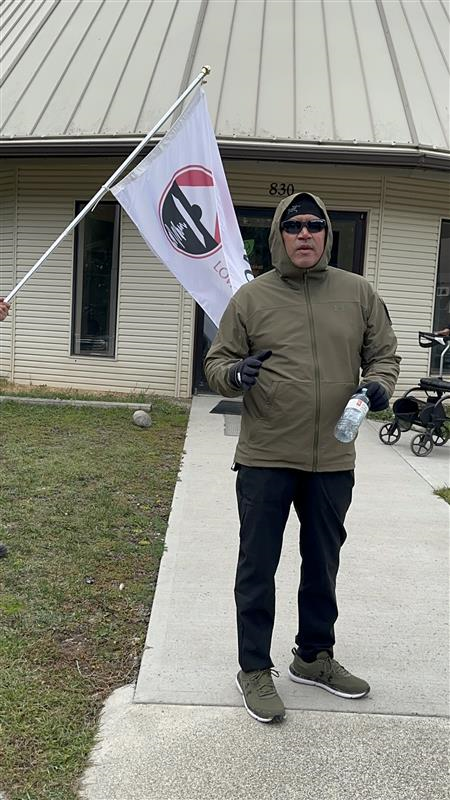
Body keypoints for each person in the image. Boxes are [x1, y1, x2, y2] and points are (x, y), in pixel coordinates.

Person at [204, 192, 400, 724]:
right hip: (267, 454)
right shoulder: (251, 298)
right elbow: (216, 362)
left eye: (315, 225)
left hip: (333, 458)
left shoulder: (357, 293)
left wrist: (379, 385)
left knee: (323, 565)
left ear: (327, 234)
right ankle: (253, 668)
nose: (306, 233)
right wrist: (235, 374)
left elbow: (384, 355)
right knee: (257, 566)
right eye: (294, 225)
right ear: (279, 235)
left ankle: (314, 658)